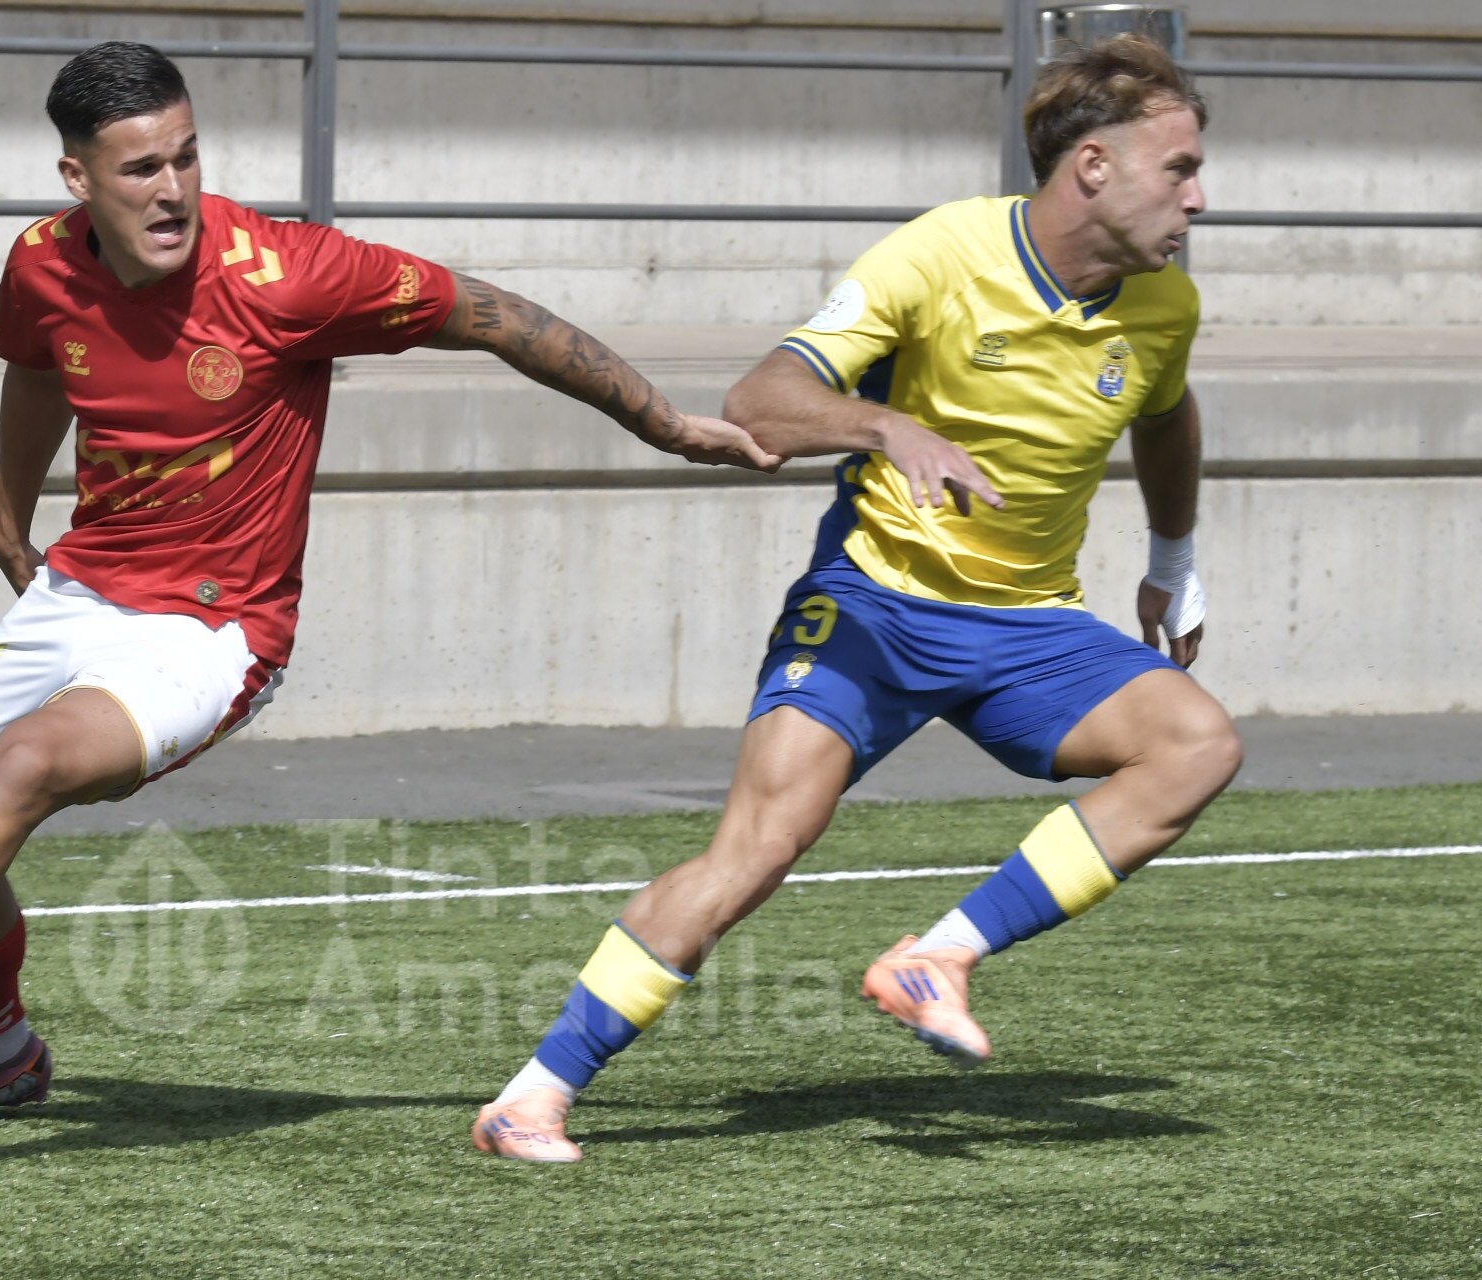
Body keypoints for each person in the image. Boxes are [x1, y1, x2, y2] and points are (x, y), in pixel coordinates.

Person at [0, 40, 777, 1119]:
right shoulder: (41, 261)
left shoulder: (292, 274)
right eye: (141, 168)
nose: (174, 190)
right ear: (78, 178)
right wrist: (10, 511)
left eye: (187, 156)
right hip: (84, 584)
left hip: (215, 628)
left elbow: (493, 315)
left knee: (24, 764)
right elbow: (37, 370)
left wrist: (663, 421)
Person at [473, 33, 1242, 1163]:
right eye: (1179, 168)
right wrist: (887, 425)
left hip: (1028, 624)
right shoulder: (941, 252)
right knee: (756, 849)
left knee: (1197, 744)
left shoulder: (1164, 304)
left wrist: (1173, 557)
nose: (1199, 198)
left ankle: (938, 957)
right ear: (1093, 165)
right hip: (874, 607)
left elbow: (1165, 414)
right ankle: (530, 1097)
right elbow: (761, 401)